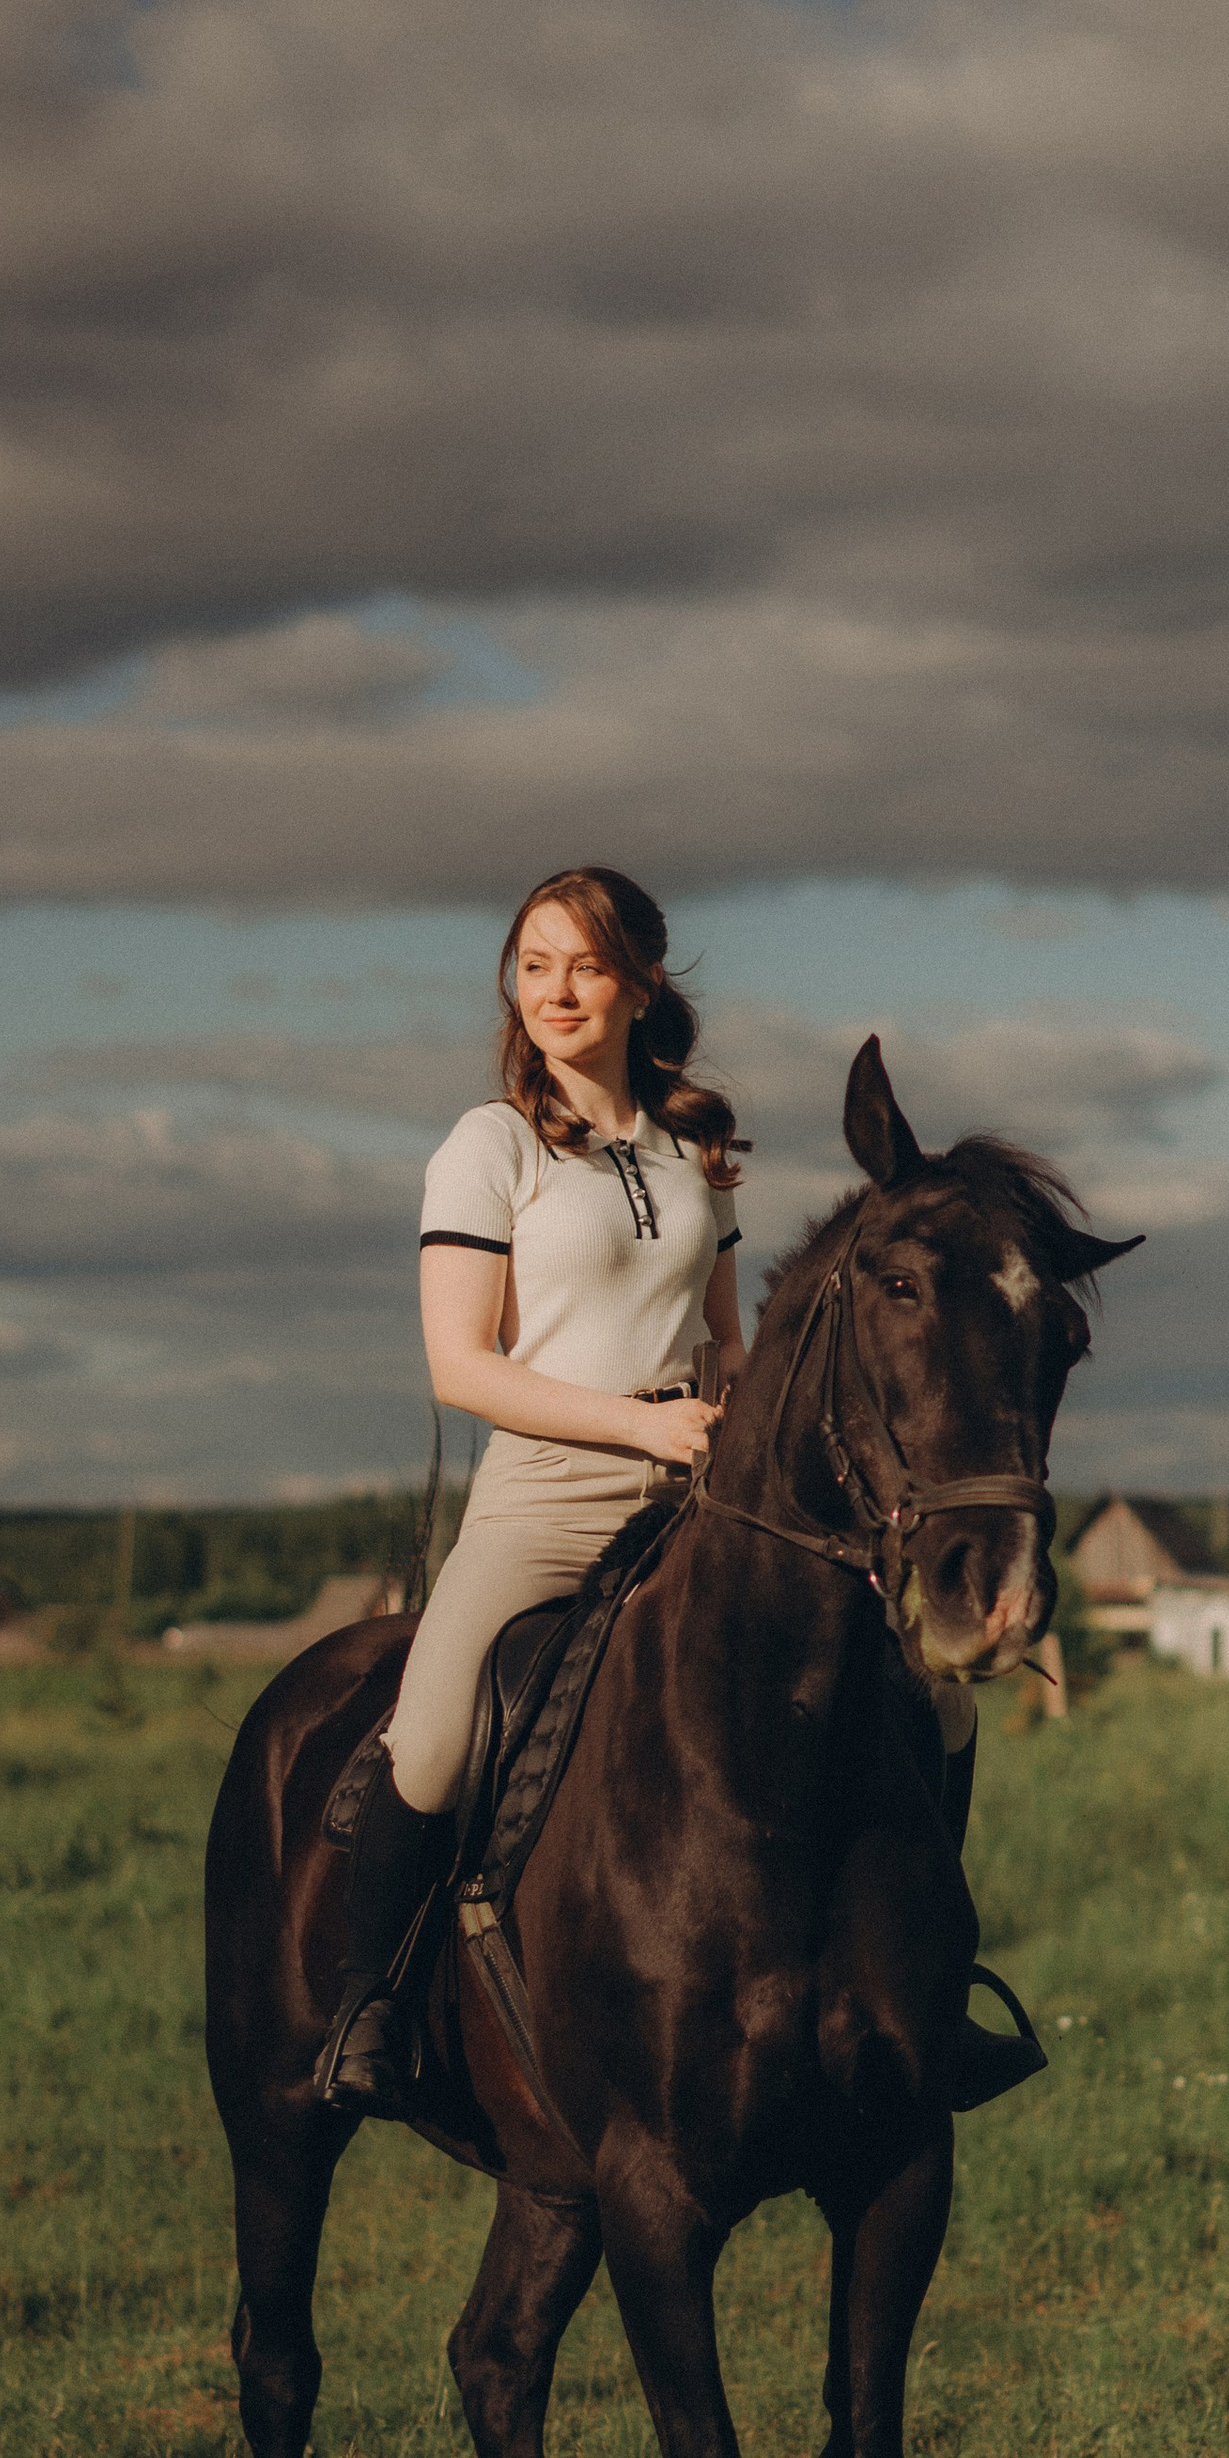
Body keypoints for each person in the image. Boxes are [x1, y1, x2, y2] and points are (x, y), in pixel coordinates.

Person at [322, 866, 748, 2109]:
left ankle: (919, 1990)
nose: (555, 990)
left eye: (585, 965)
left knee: (903, 1692)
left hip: (698, 1495)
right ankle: (369, 2011)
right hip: (548, 1497)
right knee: (436, 1732)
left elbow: (730, 1342)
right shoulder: (489, 1143)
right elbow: (462, 1368)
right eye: (534, 964)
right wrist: (637, 1426)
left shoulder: (696, 1148)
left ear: (641, 980)